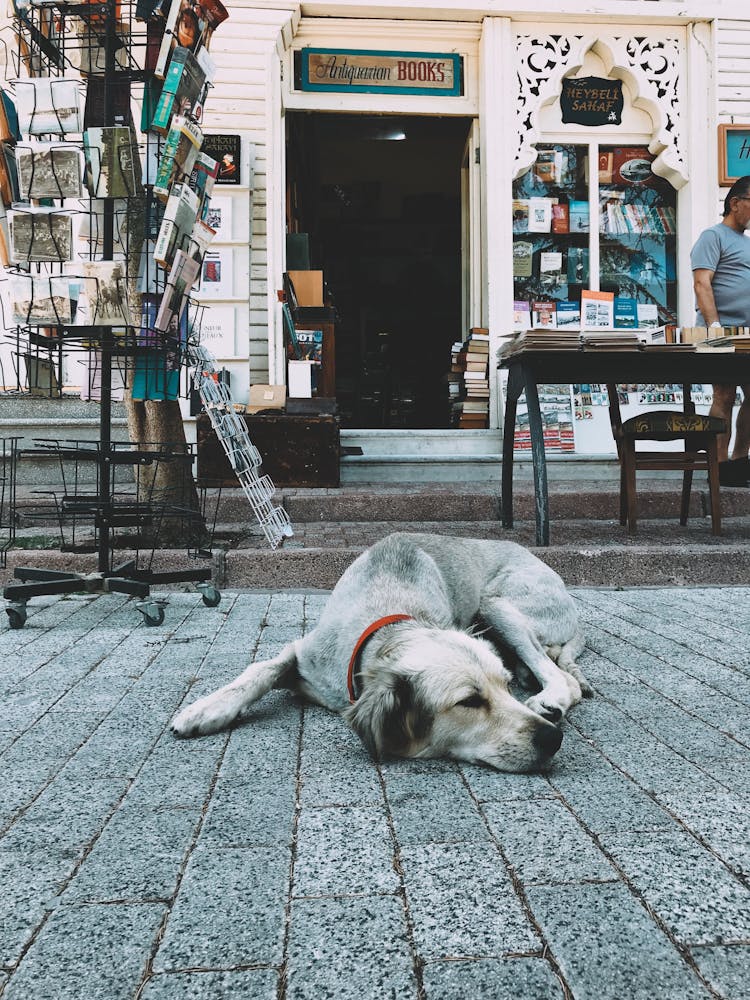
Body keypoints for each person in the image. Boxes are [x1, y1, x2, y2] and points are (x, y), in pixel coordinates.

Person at [691, 174, 750, 474]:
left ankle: (740, 460)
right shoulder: (712, 236)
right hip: (719, 332)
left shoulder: (746, 242)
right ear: (735, 203)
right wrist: (715, 328)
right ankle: (719, 464)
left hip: (747, 333)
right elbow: (702, 284)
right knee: (724, 394)